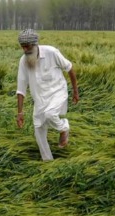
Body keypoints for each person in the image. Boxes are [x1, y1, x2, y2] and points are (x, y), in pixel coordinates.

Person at [16, 29, 79, 161]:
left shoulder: (52, 52)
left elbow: (70, 68)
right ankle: (48, 162)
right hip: (39, 100)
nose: (25, 50)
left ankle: (64, 127)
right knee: (38, 130)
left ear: (35, 44)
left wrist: (75, 91)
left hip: (57, 93)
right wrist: (20, 113)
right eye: (22, 47)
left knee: (50, 115)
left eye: (27, 46)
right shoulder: (23, 61)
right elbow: (21, 88)